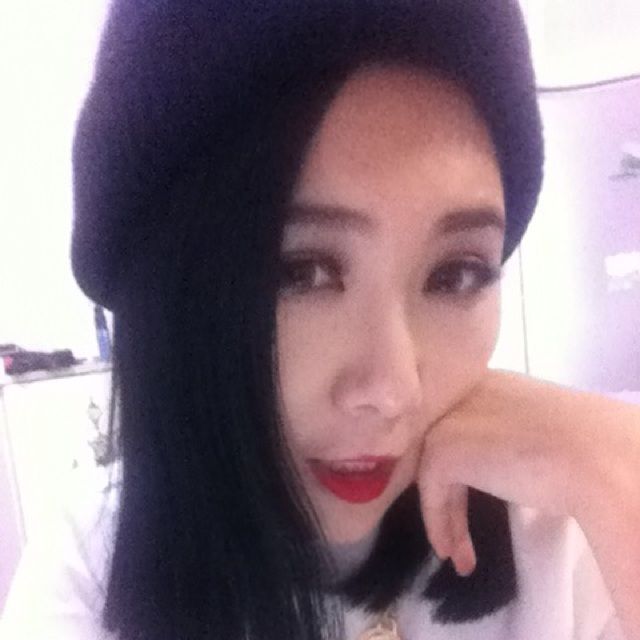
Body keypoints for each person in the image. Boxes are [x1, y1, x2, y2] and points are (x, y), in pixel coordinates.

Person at [2, 1, 639, 638]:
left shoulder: (568, 533)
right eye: (302, 271)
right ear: (174, 294)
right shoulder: (88, 568)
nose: (391, 392)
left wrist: (621, 472)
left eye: (456, 274)